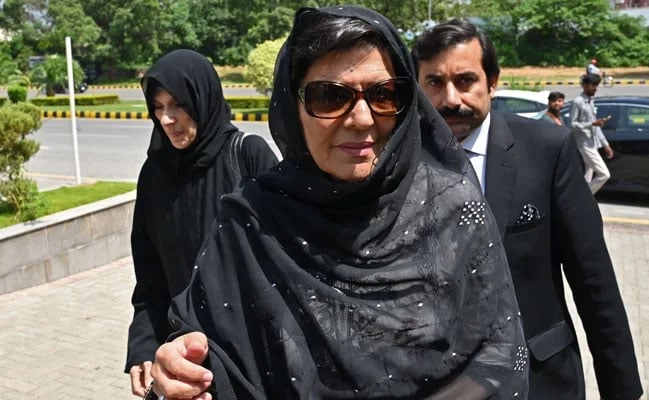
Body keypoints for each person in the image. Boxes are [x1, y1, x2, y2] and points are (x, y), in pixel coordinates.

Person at [147, 6, 528, 400]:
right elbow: (210, 357)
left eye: (383, 94)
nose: (362, 118)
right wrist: (179, 372)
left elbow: (498, 356)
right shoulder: (251, 221)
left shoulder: (452, 209)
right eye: (329, 96)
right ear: (291, 106)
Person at [413, 19, 642, 400]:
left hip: (541, 378)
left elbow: (594, 280)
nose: (450, 99)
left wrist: (623, 390)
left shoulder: (547, 150)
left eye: (465, 81)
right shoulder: (398, 164)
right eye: (434, 83)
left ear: (493, 81)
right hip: (438, 384)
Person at [125, 49, 279, 397]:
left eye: (178, 104)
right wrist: (143, 346)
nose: (166, 119)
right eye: (158, 107)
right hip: (184, 362)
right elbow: (150, 276)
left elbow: (288, 259)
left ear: (203, 98)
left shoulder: (248, 157)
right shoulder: (155, 175)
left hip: (254, 356)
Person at [570, 73, 615, 194]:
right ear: (585, 85)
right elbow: (572, 124)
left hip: (592, 143)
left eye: (596, 85)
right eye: (593, 85)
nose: (595, 88)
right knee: (604, 174)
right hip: (584, 144)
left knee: (587, 177)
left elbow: (596, 126)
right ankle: (584, 199)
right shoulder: (578, 102)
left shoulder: (590, 101)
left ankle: (580, 200)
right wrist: (591, 124)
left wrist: (606, 145)